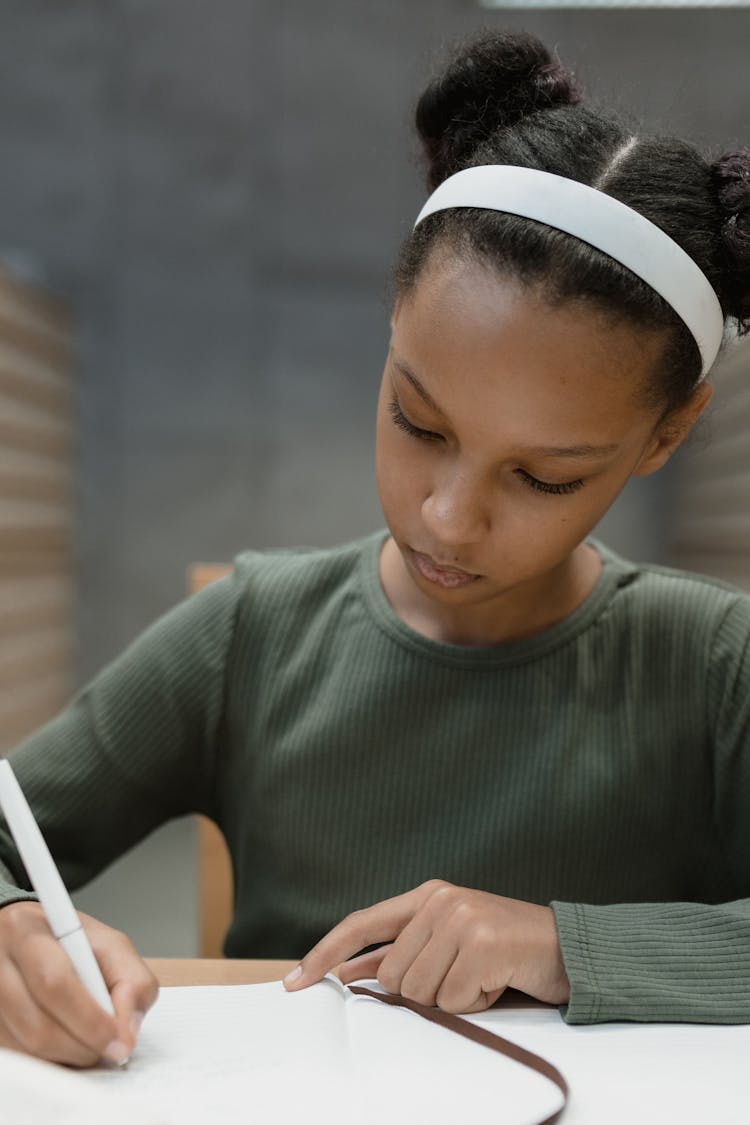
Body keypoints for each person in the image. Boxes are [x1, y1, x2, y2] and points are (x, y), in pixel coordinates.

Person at [2, 29, 750, 1069]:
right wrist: (15, 931)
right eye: (418, 420)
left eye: (542, 477)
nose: (448, 517)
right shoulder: (253, 632)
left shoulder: (714, 664)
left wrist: (568, 947)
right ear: (391, 326)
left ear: (664, 435)